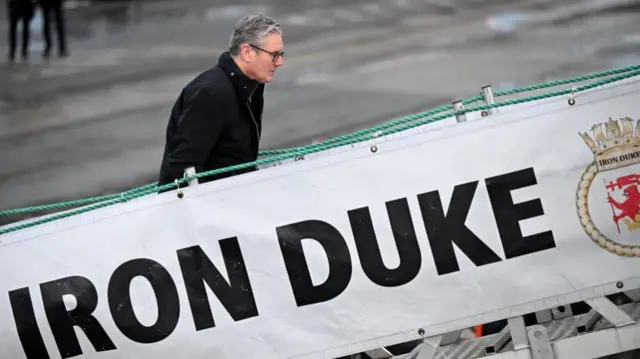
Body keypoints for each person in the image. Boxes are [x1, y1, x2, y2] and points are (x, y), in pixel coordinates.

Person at [157, 14, 285, 190]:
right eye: (274, 55)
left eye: (281, 54)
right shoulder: (210, 93)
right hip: (210, 207)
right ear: (247, 52)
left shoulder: (251, 86)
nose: (280, 62)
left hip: (233, 198)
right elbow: (183, 166)